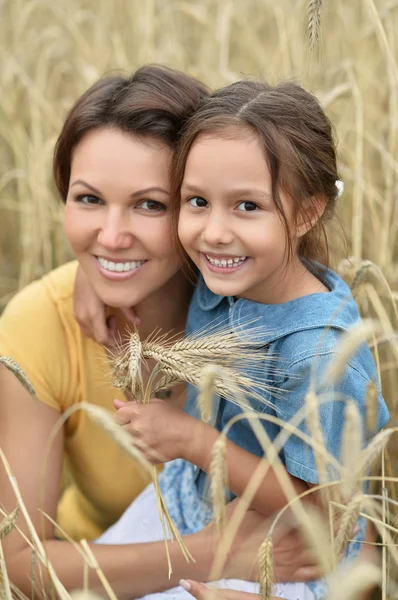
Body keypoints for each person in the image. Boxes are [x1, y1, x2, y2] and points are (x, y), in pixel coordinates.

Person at [0, 66, 323, 597]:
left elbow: (344, 530)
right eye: (88, 199)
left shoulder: (273, 310)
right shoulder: (39, 325)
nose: (111, 235)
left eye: (150, 204)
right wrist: (213, 554)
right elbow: (22, 563)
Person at [93, 79, 389, 599]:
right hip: (194, 501)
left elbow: (321, 507)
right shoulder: (226, 273)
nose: (213, 231)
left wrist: (193, 441)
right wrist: (88, 282)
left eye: (247, 206)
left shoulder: (318, 354)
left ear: (306, 212)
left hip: (287, 552)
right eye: (197, 201)